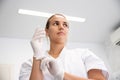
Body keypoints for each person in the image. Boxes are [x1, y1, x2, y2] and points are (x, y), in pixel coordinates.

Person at [19, 14, 109, 80]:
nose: (61, 27)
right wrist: (37, 56)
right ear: (47, 31)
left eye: (65, 25)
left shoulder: (84, 54)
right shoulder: (30, 64)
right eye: (55, 23)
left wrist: (61, 74)